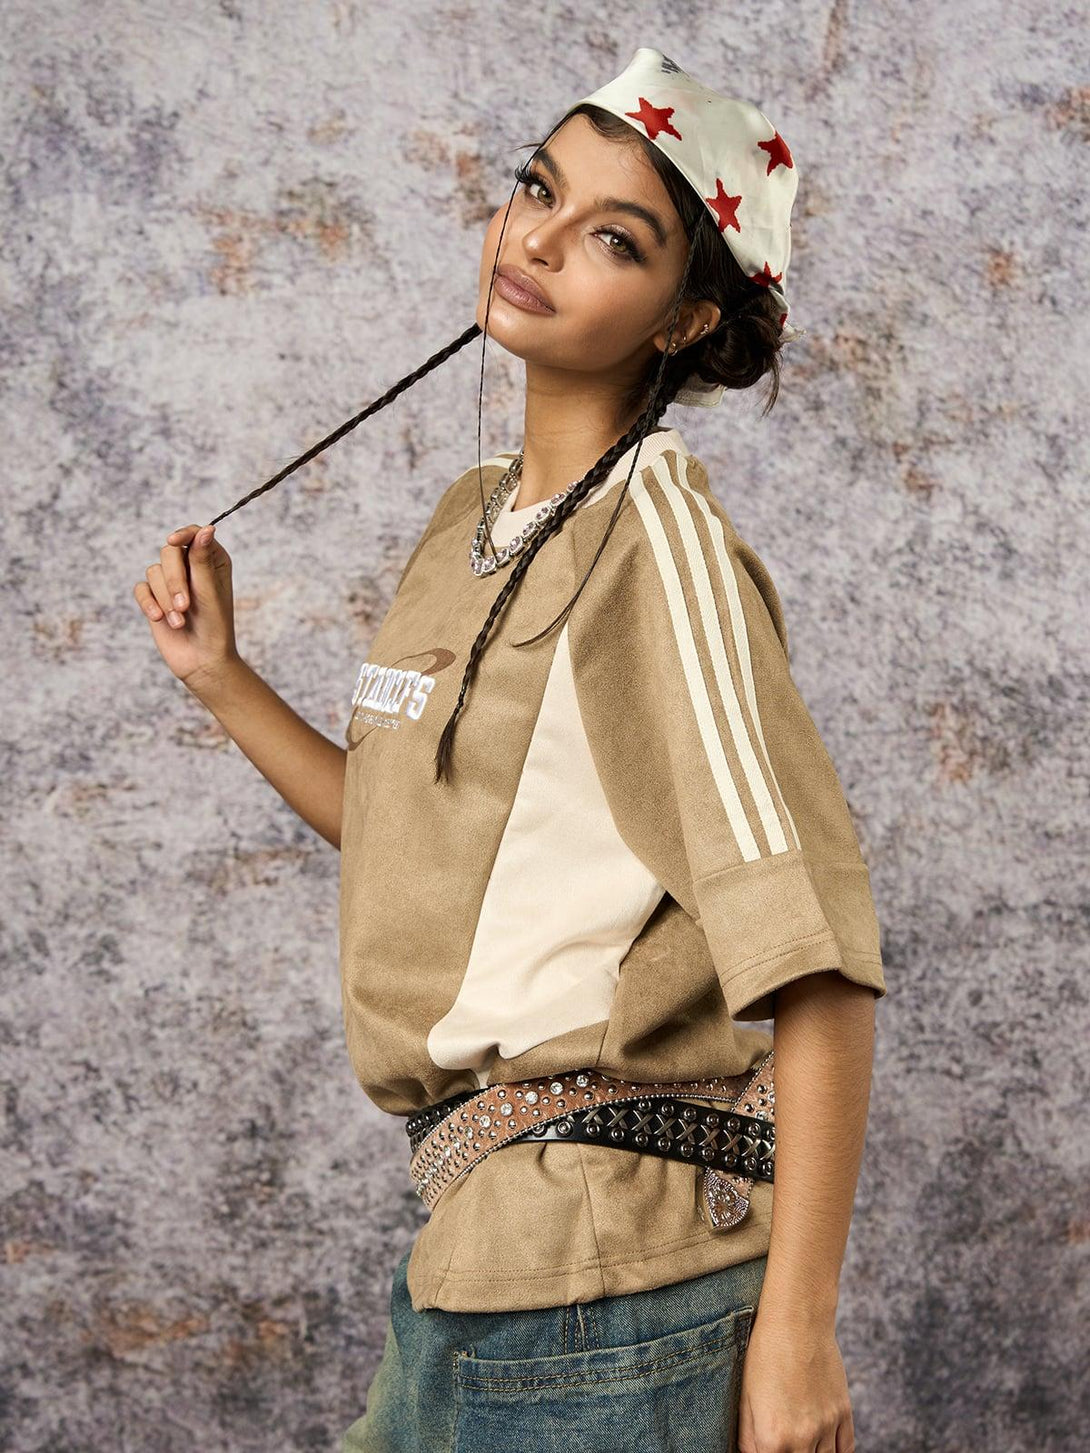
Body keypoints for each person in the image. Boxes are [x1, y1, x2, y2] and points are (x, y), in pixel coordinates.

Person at [133, 45, 886, 1453]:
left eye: (614, 236)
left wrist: (797, 1331)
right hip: (477, 1260)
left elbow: (820, 956)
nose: (536, 236)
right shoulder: (466, 518)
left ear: (682, 318)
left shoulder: (655, 534)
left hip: (614, 1285)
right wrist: (222, 678)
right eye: (535, 186)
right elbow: (427, 851)